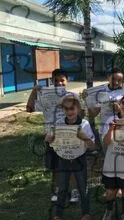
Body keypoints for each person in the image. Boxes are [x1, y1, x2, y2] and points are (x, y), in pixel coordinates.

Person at [26, 69, 80, 203]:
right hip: (51, 136)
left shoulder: (73, 95)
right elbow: (30, 108)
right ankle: (57, 190)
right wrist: (34, 91)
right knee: (55, 166)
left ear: (67, 81)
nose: (59, 83)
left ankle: (74, 191)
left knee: (71, 164)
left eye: (62, 80)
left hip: (69, 135)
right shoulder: (45, 95)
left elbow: (81, 115)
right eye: (56, 81)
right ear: (52, 81)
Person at [45, 95, 95, 220]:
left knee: (83, 187)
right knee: (62, 188)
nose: (69, 111)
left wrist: (86, 138)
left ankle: (86, 213)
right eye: (66, 109)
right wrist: (49, 138)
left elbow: (92, 145)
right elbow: (48, 140)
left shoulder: (85, 124)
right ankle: (57, 214)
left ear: (78, 108)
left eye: (72, 108)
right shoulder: (58, 123)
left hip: (79, 159)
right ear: (62, 109)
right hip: (63, 159)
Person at [86, 68, 124, 151]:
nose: (116, 82)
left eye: (120, 80)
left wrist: (120, 109)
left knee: (121, 152)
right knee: (107, 154)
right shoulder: (99, 90)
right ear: (108, 77)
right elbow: (93, 114)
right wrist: (88, 102)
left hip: (122, 128)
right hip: (104, 128)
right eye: (113, 79)